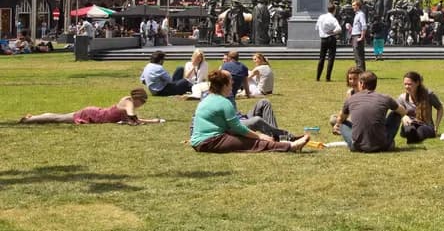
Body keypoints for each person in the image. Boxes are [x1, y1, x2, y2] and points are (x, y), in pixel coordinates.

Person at [190, 70, 309, 153]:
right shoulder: (223, 102)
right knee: (253, 143)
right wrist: (260, 135)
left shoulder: (209, 99)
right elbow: (238, 128)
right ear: (224, 85)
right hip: (210, 141)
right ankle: (290, 146)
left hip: (205, 140)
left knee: (252, 139)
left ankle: (282, 139)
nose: (232, 86)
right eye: (230, 84)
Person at [332, 71, 407, 153]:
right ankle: (388, 142)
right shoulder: (386, 98)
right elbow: (402, 111)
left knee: (342, 123)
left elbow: (341, 118)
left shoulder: (351, 99)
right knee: (396, 114)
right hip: (382, 145)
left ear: (362, 84)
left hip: (357, 147)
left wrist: (337, 125)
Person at [20, 88, 162, 125]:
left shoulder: (128, 102)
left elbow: (133, 119)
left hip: (95, 113)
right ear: (138, 99)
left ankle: (33, 117)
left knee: (61, 116)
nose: (141, 105)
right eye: (142, 102)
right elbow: (132, 118)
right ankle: (29, 120)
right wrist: (142, 122)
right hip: (94, 114)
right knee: (59, 118)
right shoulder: (128, 102)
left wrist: (152, 121)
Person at [391, 71, 444, 144]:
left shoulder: (428, 94)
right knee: (409, 128)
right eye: (405, 84)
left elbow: (440, 108)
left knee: (421, 129)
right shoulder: (402, 98)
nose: (407, 86)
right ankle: (412, 135)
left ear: (417, 83)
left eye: (409, 84)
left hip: (425, 125)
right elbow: (397, 111)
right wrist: (404, 117)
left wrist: (436, 126)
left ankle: (413, 137)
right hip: (410, 124)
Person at [316, 3, 342, 82]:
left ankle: (318, 76)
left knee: (321, 58)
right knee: (331, 58)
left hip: (323, 39)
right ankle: (328, 77)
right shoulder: (333, 19)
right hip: (331, 38)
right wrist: (333, 32)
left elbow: (317, 27)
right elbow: (339, 29)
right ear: (334, 10)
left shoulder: (321, 17)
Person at [351, 0, 367, 71]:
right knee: (356, 56)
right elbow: (357, 27)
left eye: (354, 5)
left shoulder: (361, 14)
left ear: (358, 6)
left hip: (358, 36)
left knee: (359, 56)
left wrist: (362, 37)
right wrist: (350, 28)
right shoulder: (356, 15)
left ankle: (361, 73)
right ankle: (359, 72)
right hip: (354, 35)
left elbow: (364, 26)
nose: (352, 7)